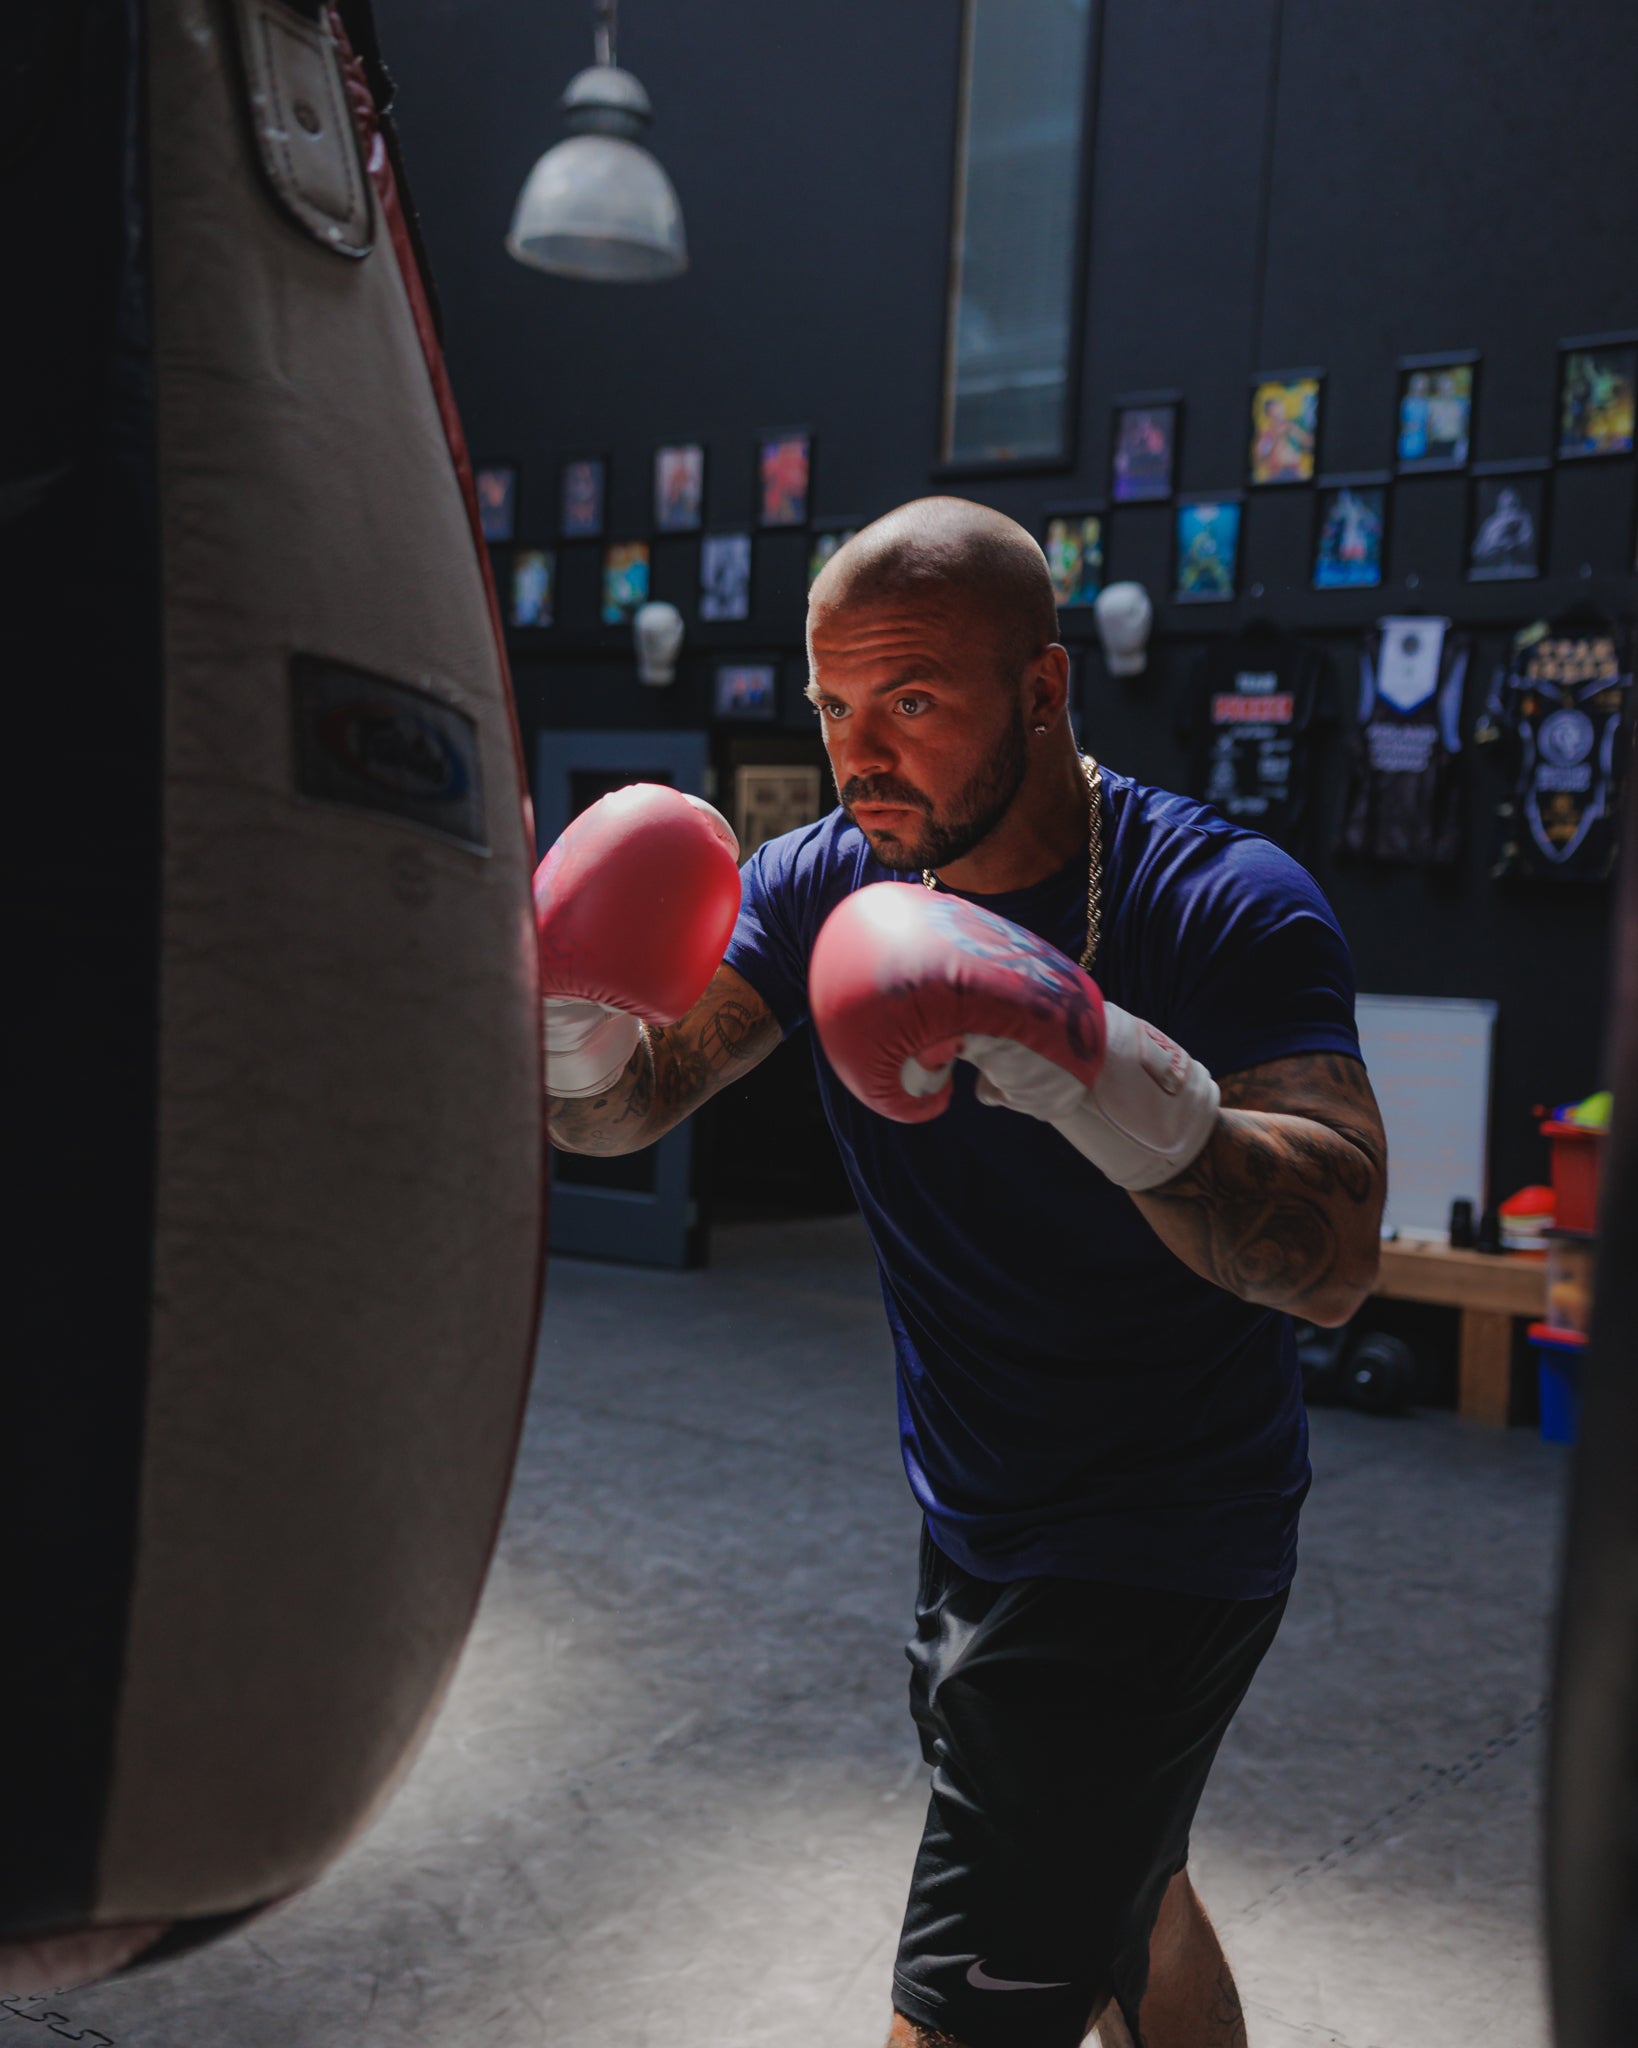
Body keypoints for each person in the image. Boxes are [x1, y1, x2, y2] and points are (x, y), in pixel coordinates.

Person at [543, 497, 1386, 2048]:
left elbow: (1332, 1258)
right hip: (976, 1506)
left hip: (1156, 1544)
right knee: (1128, 1896)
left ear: (1045, 692)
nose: (861, 753)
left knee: (965, 2009)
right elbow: (630, 1106)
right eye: (834, 707)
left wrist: (1095, 1067)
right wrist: (564, 1015)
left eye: (912, 703)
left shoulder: (1217, 901)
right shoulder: (815, 886)